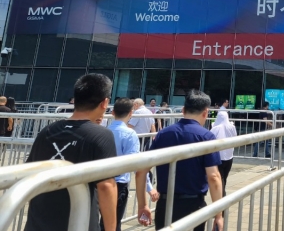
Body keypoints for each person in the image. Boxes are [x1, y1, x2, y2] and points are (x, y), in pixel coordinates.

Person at [25, 74, 118, 231]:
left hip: (38, 222)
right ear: (105, 102)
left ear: (75, 98)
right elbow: (106, 186)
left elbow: (29, 174)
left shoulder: (47, 131)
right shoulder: (101, 135)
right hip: (78, 223)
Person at [136, 90, 223, 231]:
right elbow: (213, 177)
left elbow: (141, 172)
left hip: (165, 204)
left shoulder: (163, 134)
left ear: (183, 110)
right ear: (206, 113)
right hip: (194, 204)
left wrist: (142, 205)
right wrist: (218, 215)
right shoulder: (207, 137)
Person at [102, 98, 159, 231]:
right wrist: (149, 188)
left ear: (113, 112)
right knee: (114, 223)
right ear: (131, 113)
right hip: (119, 183)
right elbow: (136, 165)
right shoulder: (129, 134)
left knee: (104, 222)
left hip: (102, 181)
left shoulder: (104, 132)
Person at [210, 111, 237, 195]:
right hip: (229, 156)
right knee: (224, 177)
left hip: (218, 156)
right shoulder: (232, 127)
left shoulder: (214, 128)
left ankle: (221, 195)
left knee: (220, 178)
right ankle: (222, 194)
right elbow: (235, 137)